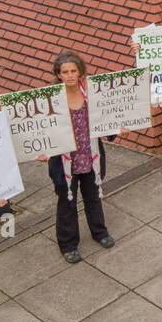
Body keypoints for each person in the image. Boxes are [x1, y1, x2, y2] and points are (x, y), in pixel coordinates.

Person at [40, 52, 116, 261]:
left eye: (73, 71)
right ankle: (68, 245)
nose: (70, 75)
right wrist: (42, 151)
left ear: (80, 72)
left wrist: (117, 127)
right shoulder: (50, 100)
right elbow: (42, 132)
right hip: (64, 164)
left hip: (90, 158)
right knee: (66, 204)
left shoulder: (91, 94)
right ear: (58, 74)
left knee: (94, 197)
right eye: (65, 72)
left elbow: (106, 120)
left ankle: (99, 232)